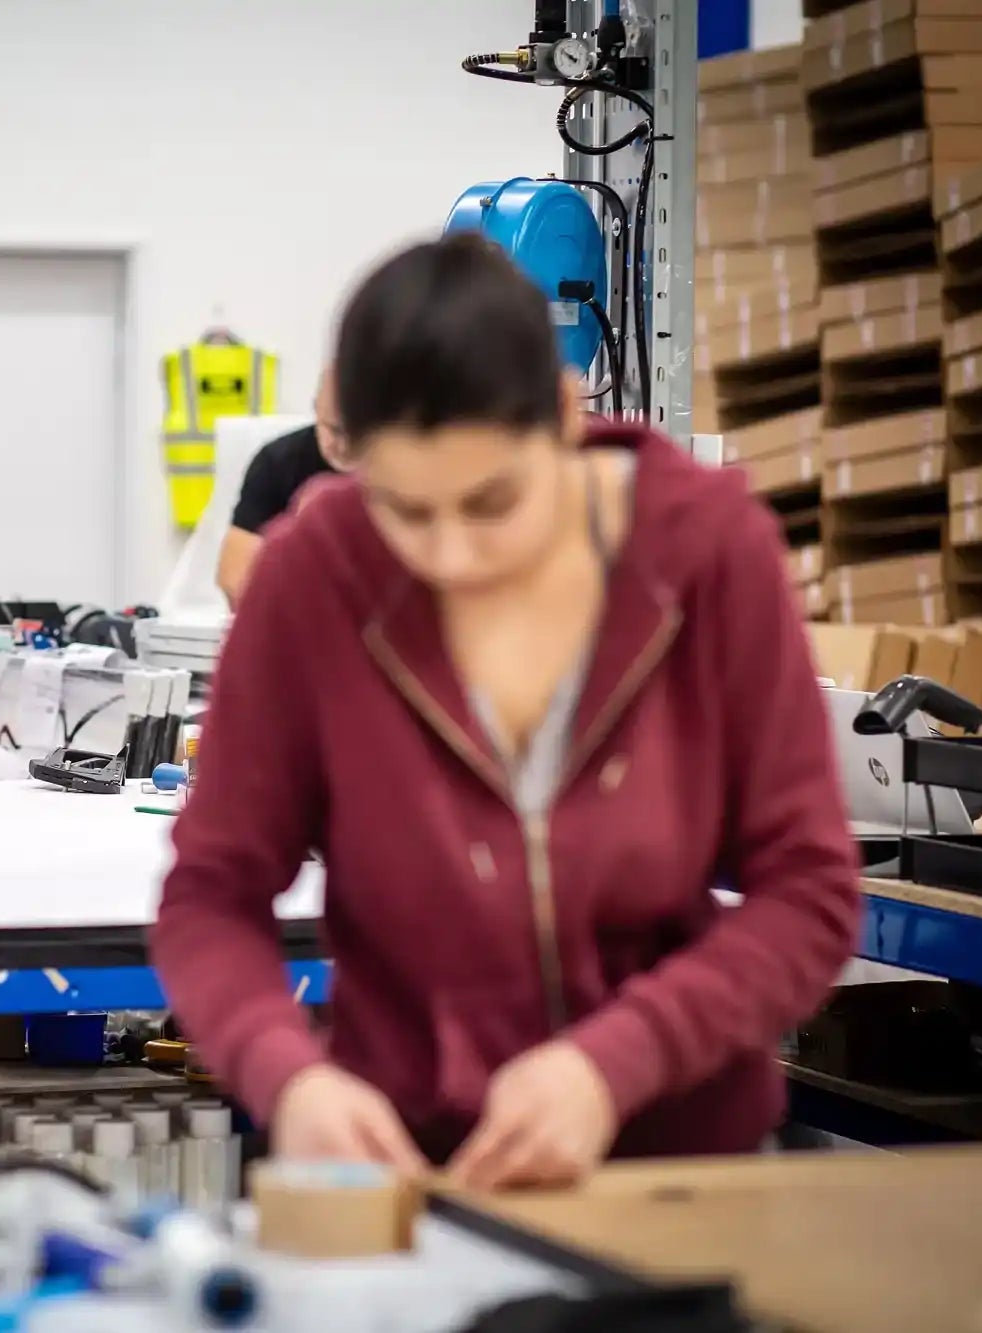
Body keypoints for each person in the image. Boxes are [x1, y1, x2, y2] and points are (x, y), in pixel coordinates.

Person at [150, 234, 860, 1191]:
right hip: (411, 1175)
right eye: (404, 509)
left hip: (675, 1170)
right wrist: (290, 1077)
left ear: (566, 416)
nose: (448, 554)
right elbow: (210, 895)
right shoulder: (314, 573)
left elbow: (808, 894)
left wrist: (614, 1062)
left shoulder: (705, 554)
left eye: (491, 503)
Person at [215, 367, 350, 606]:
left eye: (357, 432)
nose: (344, 445)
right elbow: (233, 576)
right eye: (334, 430)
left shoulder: (402, 467)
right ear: (316, 409)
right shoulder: (277, 462)